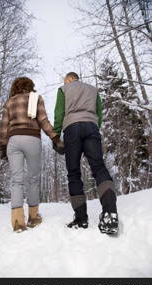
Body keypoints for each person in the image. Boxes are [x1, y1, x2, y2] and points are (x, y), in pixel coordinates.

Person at [53, 72, 119, 234]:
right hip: (91, 127)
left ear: (68, 79)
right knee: (99, 168)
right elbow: (100, 113)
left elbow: (59, 114)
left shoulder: (63, 89)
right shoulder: (92, 90)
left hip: (71, 129)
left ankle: (81, 219)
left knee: (74, 173)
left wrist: (56, 136)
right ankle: (110, 212)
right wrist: (95, 126)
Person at [0, 77, 63, 232]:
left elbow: (4, 127)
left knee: (16, 181)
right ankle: (33, 218)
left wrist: (3, 146)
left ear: (15, 87)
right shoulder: (35, 98)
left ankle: (17, 222)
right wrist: (55, 138)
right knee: (33, 179)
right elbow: (43, 120)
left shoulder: (9, 102)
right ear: (30, 86)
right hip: (32, 139)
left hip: (13, 141)